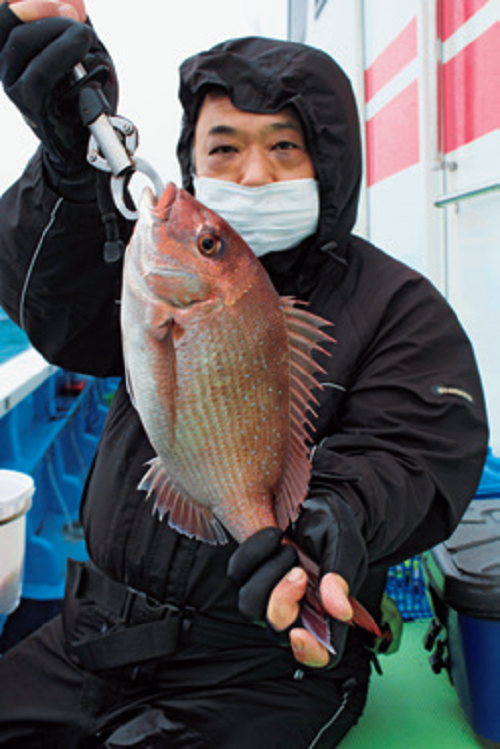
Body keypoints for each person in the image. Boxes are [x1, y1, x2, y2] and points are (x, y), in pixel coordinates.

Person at [0, 1, 489, 747]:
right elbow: (54, 309)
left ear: (328, 161)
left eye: (285, 147)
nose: (254, 175)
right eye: (223, 149)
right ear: (190, 159)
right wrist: (69, 166)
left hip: (265, 668)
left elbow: (420, 446)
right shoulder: (148, 273)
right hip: (90, 634)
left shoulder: (399, 306)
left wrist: (334, 521)